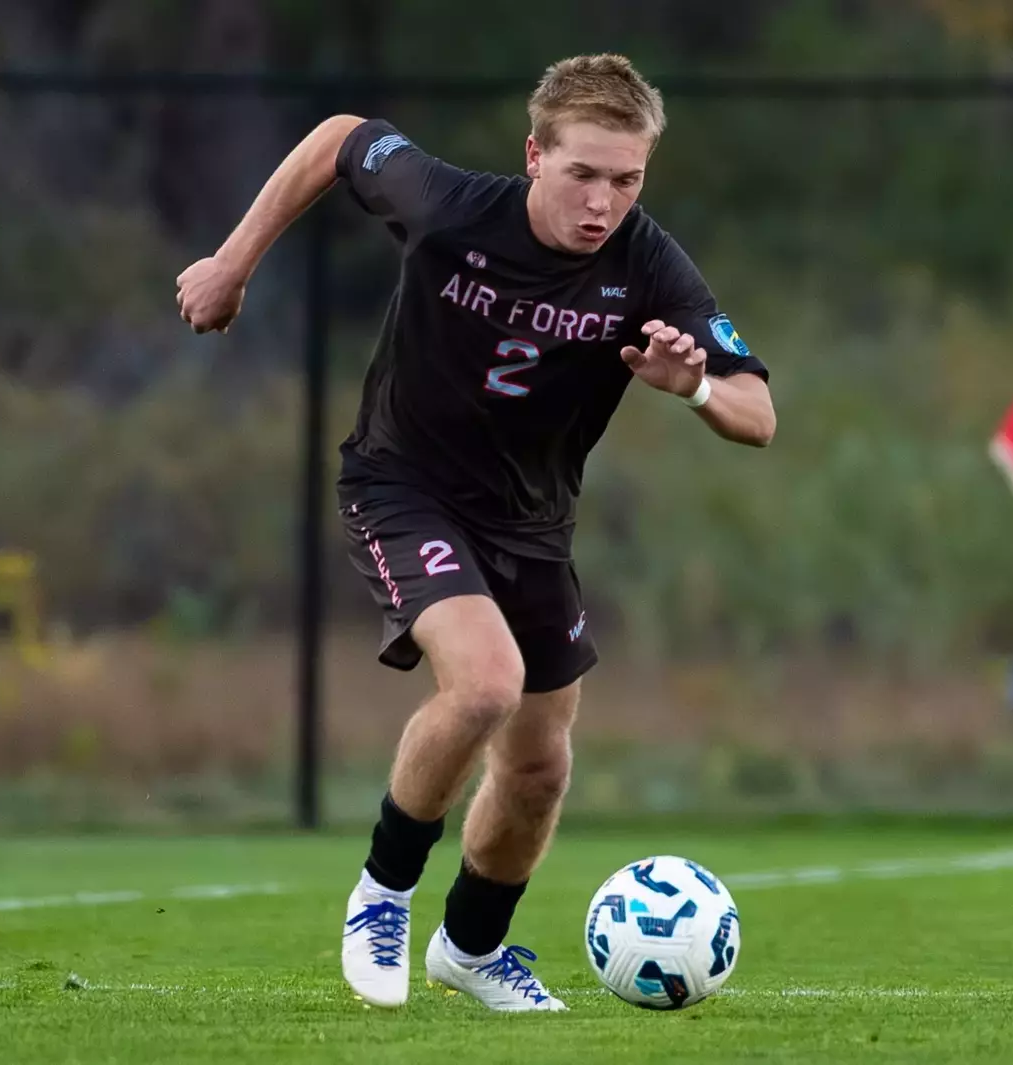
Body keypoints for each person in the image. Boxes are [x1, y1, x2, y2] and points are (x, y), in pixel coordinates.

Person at [176, 53, 775, 1013]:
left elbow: (758, 411)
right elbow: (339, 139)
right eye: (583, 173)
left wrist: (696, 386)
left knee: (540, 766)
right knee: (486, 682)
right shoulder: (450, 203)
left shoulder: (649, 263)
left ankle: (471, 948)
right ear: (534, 155)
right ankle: (383, 892)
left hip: (533, 525)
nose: (603, 202)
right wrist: (231, 262)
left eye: (627, 180)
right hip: (401, 486)